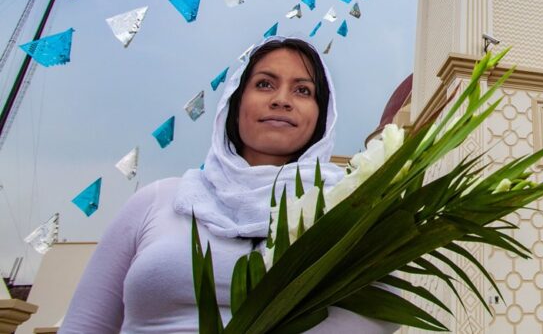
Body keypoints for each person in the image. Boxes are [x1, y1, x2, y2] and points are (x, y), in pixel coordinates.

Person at [61, 37, 398, 332]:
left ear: (321, 116)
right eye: (265, 84)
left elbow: (382, 313)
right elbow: (86, 325)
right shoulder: (160, 200)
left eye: (303, 90)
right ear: (234, 105)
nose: (282, 99)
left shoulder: (347, 209)